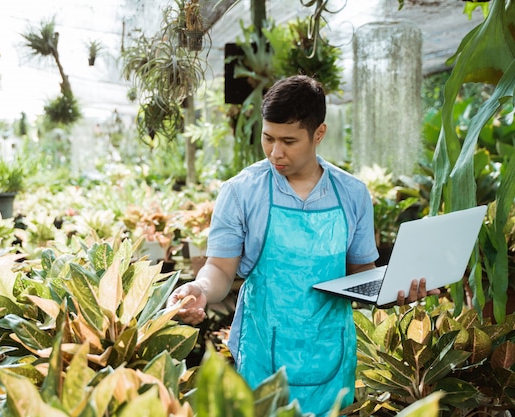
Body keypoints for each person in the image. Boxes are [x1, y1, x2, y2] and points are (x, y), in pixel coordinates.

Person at [167, 75, 436, 416]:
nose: (275, 153)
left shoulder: (352, 194)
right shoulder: (240, 192)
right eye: (268, 138)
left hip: (331, 358)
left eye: (289, 141)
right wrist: (200, 288)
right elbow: (220, 269)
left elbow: (361, 275)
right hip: (262, 359)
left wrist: (395, 289)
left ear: (318, 134)